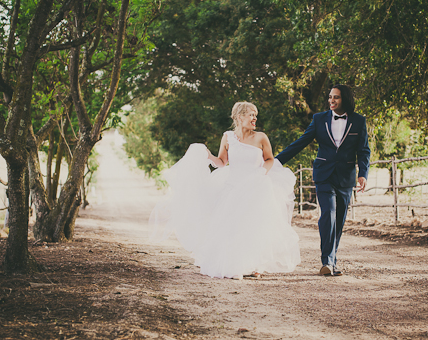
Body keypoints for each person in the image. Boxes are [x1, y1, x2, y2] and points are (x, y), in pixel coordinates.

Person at [149, 102, 300, 280]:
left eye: (255, 115)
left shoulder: (261, 137)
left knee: (254, 224)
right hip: (233, 186)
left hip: (256, 186)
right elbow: (221, 162)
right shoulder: (228, 137)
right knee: (232, 225)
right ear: (239, 117)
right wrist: (206, 154)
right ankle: (235, 264)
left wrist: (261, 173)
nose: (254, 118)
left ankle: (256, 263)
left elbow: (269, 160)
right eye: (251, 114)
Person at [276, 84, 370, 277]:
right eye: (329, 97)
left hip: (345, 177)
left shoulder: (359, 121)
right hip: (324, 174)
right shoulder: (319, 119)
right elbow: (301, 142)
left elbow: (363, 150)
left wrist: (363, 174)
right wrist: (276, 161)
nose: (331, 101)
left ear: (345, 99)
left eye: (336, 97)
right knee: (328, 214)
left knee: (340, 219)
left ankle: (332, 260)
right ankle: (327, 261)